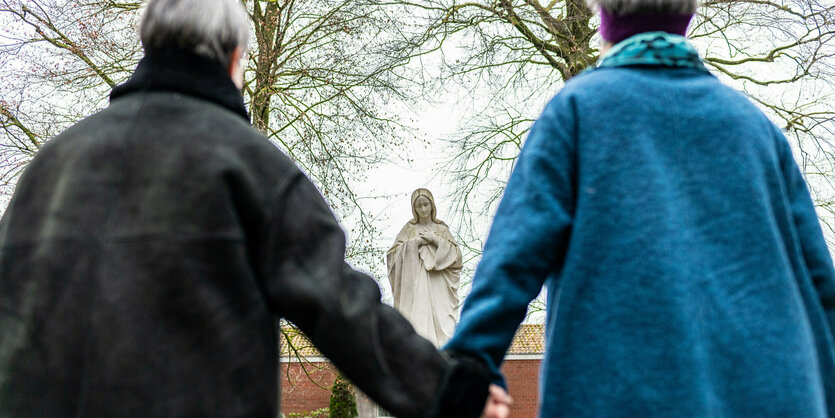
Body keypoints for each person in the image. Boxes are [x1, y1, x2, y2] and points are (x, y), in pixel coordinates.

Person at [0, 0, 507, 416]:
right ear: (235, 58)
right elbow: (339, 304)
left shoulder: (48, 167)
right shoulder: (249, 164)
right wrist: (452, 390)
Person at [444, 0, 835, 416]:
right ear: (689, 14)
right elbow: (819, 283)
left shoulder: (577, 111)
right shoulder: (758, 130)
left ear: (604, 17)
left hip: (623, 391)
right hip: (770, 394)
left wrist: (471, 364)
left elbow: (514, 255)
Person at [387, 188, 463, 346]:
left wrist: (435, 240)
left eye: (425, 204)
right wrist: (417, 242)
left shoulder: (442, 230)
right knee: (418, 325)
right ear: (413, 209)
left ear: (432, 205)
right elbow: (392, 256)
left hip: (439, 287)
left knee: (444, 330)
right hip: (416, 286)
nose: (423, 209)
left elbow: (457, 257)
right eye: (418, 206)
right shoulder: (409, 230)